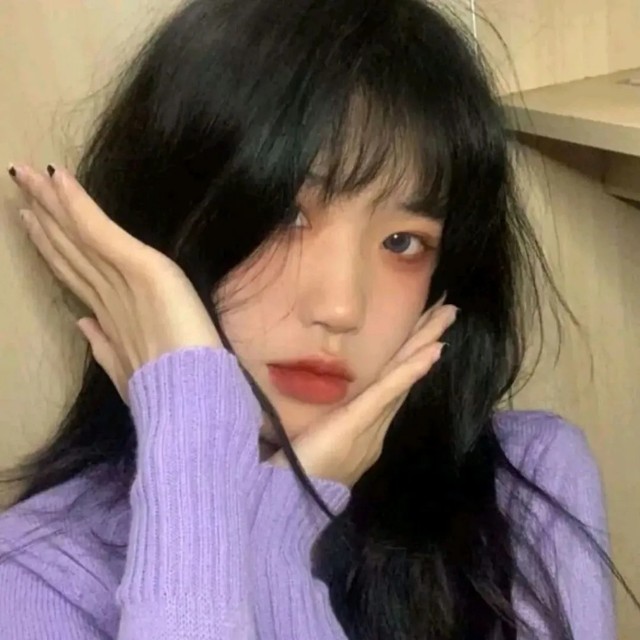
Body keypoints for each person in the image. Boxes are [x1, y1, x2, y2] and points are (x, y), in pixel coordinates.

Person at [0, 0, 634, 638]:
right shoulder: (36, 575)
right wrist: (199, 441)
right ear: (158, 236)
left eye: (402, 243)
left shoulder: (526, 484)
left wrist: (278, 534)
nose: (340, 309)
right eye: (285, 216)